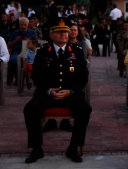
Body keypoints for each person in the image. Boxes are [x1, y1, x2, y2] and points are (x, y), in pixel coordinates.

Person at [23, 20, 92, 163]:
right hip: (47, 93)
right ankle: (37, 148)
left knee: (85, 109)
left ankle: (73, 147)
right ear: (51, 35)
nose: (64, 34)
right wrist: (48, 90)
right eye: (59, 32)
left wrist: (71, 91)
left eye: (65, 31)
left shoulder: (77, 52)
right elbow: (36, 76)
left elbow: (83, 77)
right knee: (30, 109)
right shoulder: (43, 52)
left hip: (70, 93)